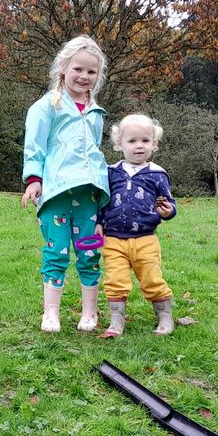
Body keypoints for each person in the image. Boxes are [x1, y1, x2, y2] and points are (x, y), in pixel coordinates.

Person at [21, 36, 111, 332]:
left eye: (91, 72)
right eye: (78, 69)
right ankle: (51, 313)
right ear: (63, 68)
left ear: (97, 76)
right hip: (56, 194)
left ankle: (90, 312)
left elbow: (95, 151)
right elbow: (34, 147)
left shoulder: (96, 113)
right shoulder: (47, 106)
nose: (84, 77)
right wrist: (34, 180)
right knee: (55, 251)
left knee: (89, 252)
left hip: (90, 196)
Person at [96, 113, 177, 337]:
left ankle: (165, 317)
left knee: (152, 278)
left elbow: (169, 202)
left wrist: (168, 211)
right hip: (113, 239)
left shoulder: (158, 174)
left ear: (154, 143)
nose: (138, 146)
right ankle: (116, 322)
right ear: (119, 144)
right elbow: (102, 201)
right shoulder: (111, 173)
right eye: (132, 141)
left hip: (146, 238)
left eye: (145, 140)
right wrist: (99, 224)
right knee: (115, 280)